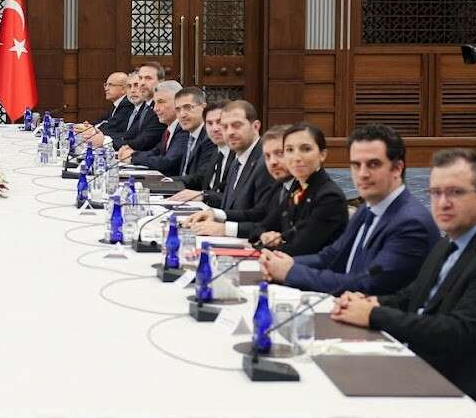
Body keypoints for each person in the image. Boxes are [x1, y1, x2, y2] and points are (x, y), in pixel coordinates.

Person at [332, 149, 476, 418]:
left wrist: (374, 315)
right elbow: (414, 297)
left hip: (459, 397)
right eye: (435, 193)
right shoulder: (448, 241)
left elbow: (455, 333)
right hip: (423, 370)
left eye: (455, 192)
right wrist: (371, 302)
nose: (442, 203)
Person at [262, 123, 437, 295]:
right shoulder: (367, 207)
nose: (362, 174)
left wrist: (290, 272)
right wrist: (286, 263)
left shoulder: (410, 224)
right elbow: (331, 256)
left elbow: (367, 284)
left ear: (397, 168)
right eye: (356, 165)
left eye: (373, 164)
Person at [247, 122, 347, 255]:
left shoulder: (329, 197)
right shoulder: (297, 188)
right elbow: (260, 227)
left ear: (322, 154)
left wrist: (266, 246)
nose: (296, 157)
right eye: (289, 150)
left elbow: (300, 249)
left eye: (306, 149)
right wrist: (264, 236)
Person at [186, 125, 290, 239]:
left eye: (280, 153)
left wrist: (225, 229)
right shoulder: (280, 185)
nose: (272, 162)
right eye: (267, 156)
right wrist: (215, 214)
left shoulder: (297, 189)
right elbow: (258, 214)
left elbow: (268, 227)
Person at [174, 100, 270, 212]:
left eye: (236, 125)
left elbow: (258, 213)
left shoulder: (265, 160)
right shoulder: (228, 156)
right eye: (224, 126)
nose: (215, 129)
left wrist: (207, 199)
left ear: (255, 126)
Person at [120, 81, 189, 174]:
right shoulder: (170, 129)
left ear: (178, 103)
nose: (155, 108)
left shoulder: (184, 129)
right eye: (155, 103)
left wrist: (133, 157)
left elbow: (167, 162)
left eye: (161, 102)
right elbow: (155, 152)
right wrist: (132, 154)